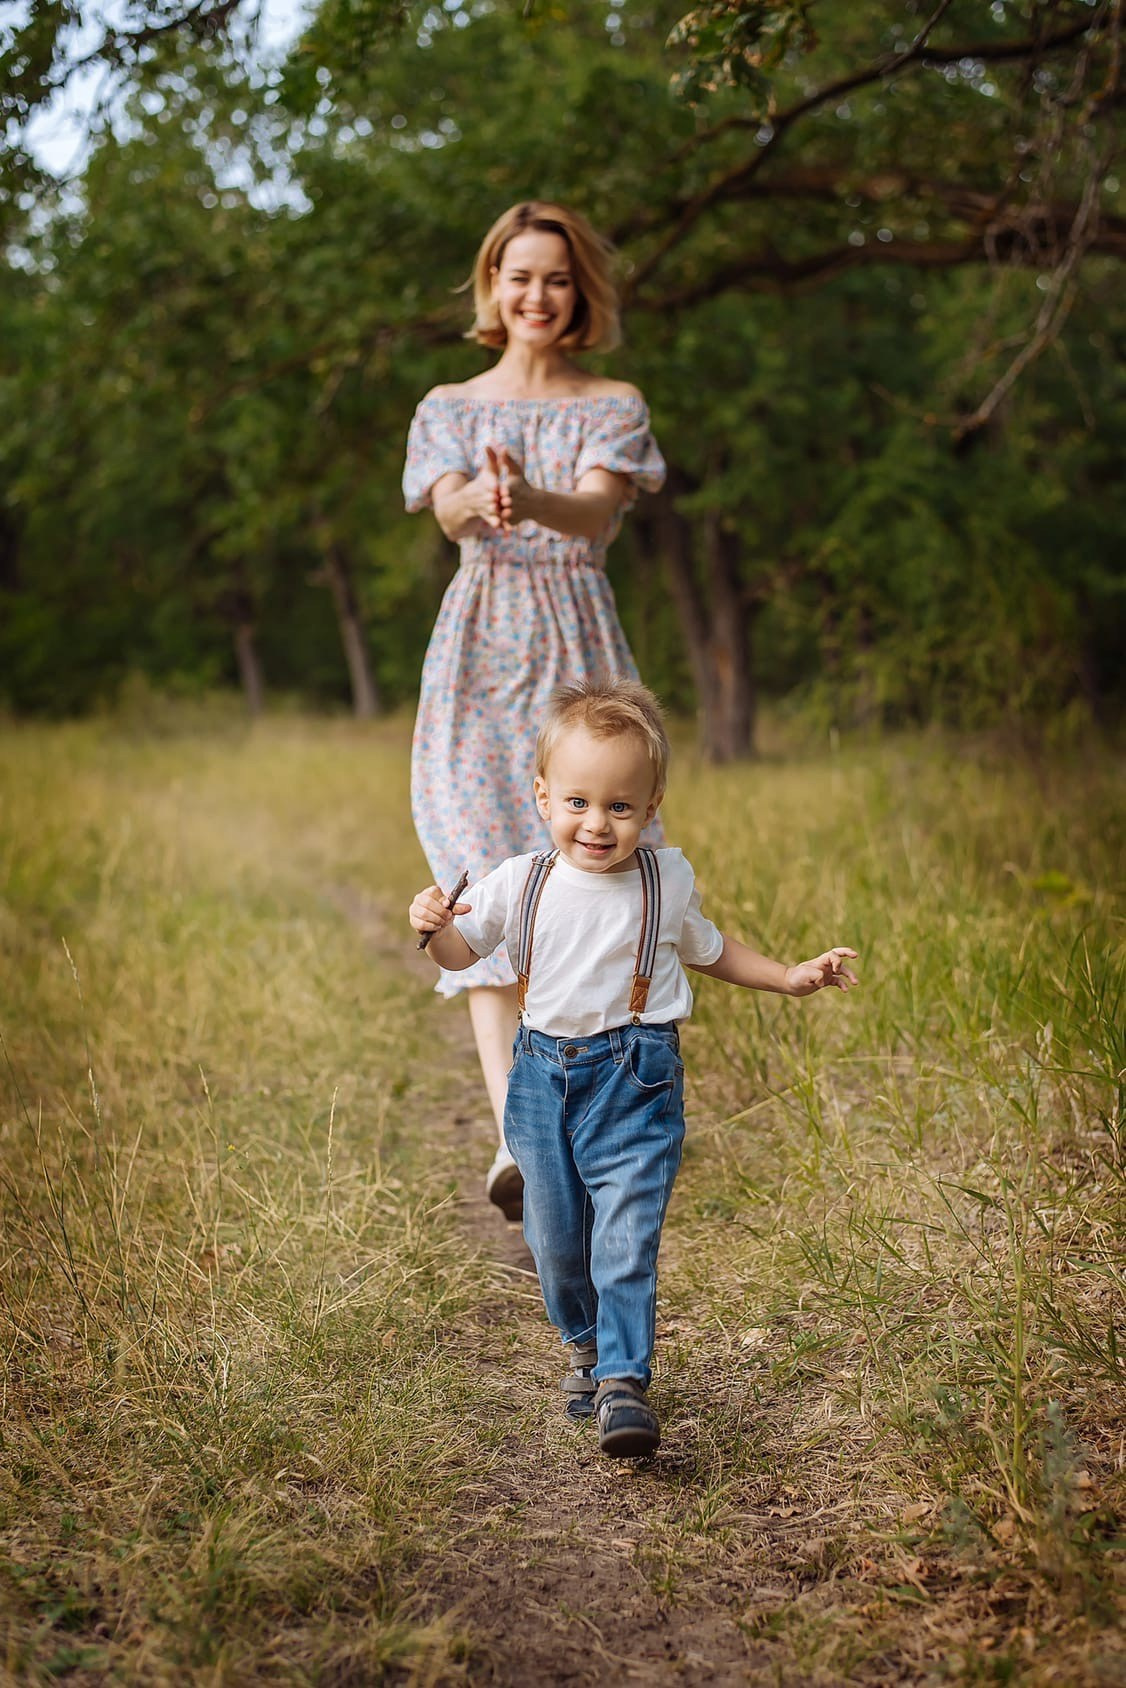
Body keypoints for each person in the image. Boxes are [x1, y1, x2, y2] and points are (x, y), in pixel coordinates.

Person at [408, 678, 859, 1460]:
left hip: (638, 1080)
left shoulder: (663, 881)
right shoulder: (521, 881)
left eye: (620, 806)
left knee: (625, 1233)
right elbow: (462, 954)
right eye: (578, 802)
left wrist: (788, 975)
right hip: (543, 1081)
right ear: (544, 796)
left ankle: (623, 1381)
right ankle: (583, 1343)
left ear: (650, 808)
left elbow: (711, 949)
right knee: (554, 1239)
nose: (597, 822)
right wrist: (434, 927)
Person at [402, 201, 666, 1224]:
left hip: (574, 653)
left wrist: (534, 500)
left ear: (579, 292)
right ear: (492, 286)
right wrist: (480, 500)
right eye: (519, 276)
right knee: (484, 880)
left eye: (556, 278)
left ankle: (583, 1117)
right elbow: (447, 504)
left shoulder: (614, 402)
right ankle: (519, 1137)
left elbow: (597, 509)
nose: (536, 295)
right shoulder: (449, 404)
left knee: (581, 877)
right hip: (476, 657)